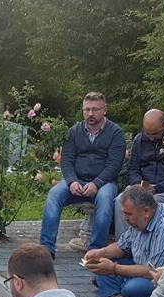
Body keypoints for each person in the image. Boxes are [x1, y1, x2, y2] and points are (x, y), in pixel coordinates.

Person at [40, 92, 126, 257]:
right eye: (87, 109)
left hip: (104, 182)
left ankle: (95, 251)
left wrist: (97, 183)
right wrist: (72, 181)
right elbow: (66, 160)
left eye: (95, 109)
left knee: (105, 202)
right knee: (53, 196)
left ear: (105, 110)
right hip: (77, 180)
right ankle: (46, 249)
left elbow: (115, 164)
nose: (90, 113)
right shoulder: (74, 132)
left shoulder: (116, 133)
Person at [83, 185, 164, 297]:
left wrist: (114, 269)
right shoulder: (139, 219)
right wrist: (101, 253)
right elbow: (122, 246)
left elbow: (154, 271)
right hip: (140, 266)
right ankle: (121, 295)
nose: (124, 218)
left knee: (134, 288)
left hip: (160, 277)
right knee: (102, 269)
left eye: (128, 214)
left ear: (146, 211)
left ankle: (125, 296)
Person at [114, 109, 164, 237]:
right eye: (147, 133)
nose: (150, 137)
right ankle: (124, 243)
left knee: (151, 203)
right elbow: (133, 168)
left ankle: (149, 243)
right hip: (142, 186)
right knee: (120, 200)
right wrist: (137, 184)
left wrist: (157, 188)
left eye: (155, 133)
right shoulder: (139, 139)